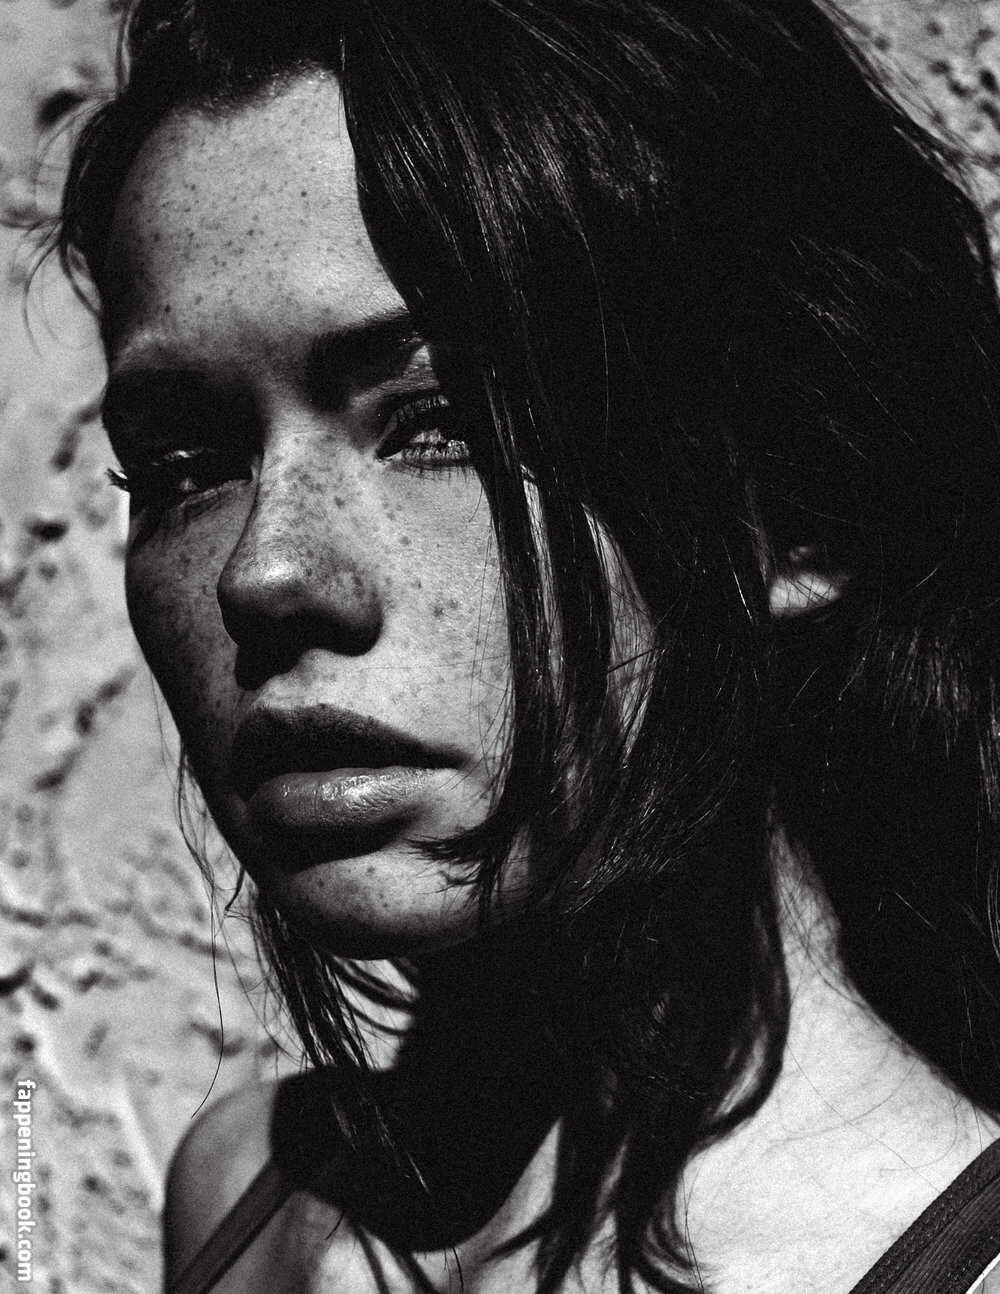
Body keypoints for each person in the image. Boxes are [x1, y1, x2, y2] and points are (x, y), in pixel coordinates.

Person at [57, 0, 1000, 1289]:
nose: (263, 572)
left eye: (442, 420)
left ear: (799, 505)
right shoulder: (247, 1196)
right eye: (183, 463)